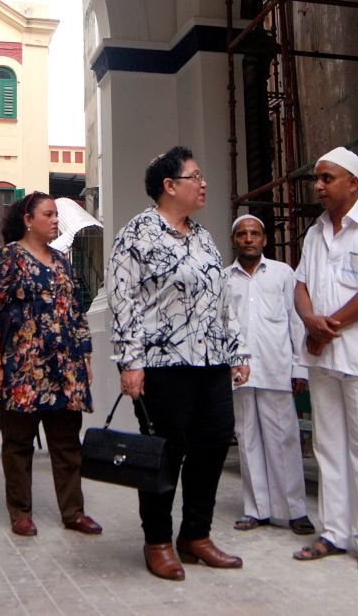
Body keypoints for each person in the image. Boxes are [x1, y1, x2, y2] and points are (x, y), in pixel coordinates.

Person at [107, 146, 251, 582]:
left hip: (210, 362)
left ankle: (196, 536)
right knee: (165, 455)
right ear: (170, 187)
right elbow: (122, 301)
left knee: (212, 446)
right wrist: (130, 362)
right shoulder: (136, 234)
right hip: (161, 366)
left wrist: (237, 350)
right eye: (195, 176)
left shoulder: (204, 237)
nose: (203, 183)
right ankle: (157, 541)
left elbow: (221, 298)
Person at [291, 147, 358, 574]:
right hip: (322, 360)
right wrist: (308, 320)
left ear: (353, 183)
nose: (318, 186)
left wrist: (324, 328)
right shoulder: (314, 233)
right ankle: (333, 533)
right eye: (317, 179)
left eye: (327, 178)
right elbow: (300, 287)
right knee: (328, 448)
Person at [0, 192, 102, 537]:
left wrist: (85, 357)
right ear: (28, 220)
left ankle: (73, 512)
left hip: (65, 368)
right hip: (24, 367)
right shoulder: (8, 258)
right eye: (48, 214)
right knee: (18, 444)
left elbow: (76, 312)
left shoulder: (62, 261)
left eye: (56, 215)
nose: (54, 220)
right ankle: (20, 512)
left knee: (66, 444)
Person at [226, 214, 314, 536]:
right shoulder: (225, 279)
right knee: (247, 439)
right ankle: (256, 509)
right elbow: (223, 325)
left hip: (277, 368)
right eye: (242, 234)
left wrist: (299, 366)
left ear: (264, 239)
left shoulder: (282, 273)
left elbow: (296, 321)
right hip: (240, 371)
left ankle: (295, 510)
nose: (249, 239)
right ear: (235, 240)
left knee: (284, 439)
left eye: (255, 234)